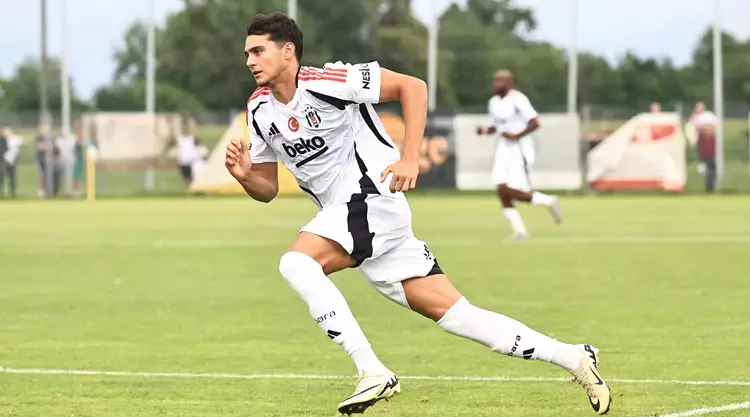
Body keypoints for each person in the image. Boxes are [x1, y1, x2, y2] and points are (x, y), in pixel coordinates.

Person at [225, 13, 611, 416]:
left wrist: (410, 158)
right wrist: (245, 175)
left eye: (258, 51)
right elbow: (267, 189)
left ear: (288, 51)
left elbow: (413, 86)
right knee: (458, 316)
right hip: (357, 219)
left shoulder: (329, 81)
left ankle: (372, 371)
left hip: (372, 199)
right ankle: (574, 357)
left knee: (297, 263)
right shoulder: (259, 110)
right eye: (247, 53)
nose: (250, 61)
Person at [476, 70, 561, 240]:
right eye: (495, 80)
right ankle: (520, 231)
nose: (497, 84)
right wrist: (484, 130)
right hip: (502, 148)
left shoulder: (518, 99)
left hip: (520, 148)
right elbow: (495, 126)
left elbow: (535, 122)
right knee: (501, 189)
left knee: (514, 190)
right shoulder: (493, 102)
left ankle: (548, 201)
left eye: (501, 81)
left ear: (510, 83)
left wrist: (516, 135)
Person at [689, 101, 717, 192]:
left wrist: (703, 127)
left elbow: (713, 125)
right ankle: (702, 165)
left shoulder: (708, 115)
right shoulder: (694, 117)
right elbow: (695, 127)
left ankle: (710, 185)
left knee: (711, 164)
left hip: (710, 142)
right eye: (698, 107)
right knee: (706, 161)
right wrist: (705, 127)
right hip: (701, 142)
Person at [2, 128, 22, 197]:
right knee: (2, 176)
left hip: (12, 160)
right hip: (4, 160)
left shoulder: (14, 139)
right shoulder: (3, 140)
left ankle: (12, 192)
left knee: (12, 176)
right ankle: (2, 191)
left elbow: (20, 144)